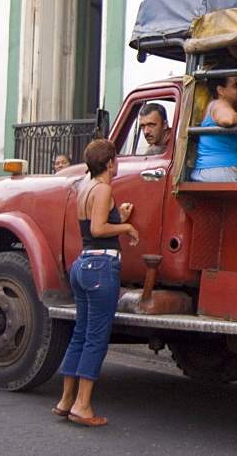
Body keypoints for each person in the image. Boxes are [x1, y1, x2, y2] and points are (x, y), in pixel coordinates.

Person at [53, 139, 139, 427]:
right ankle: (83, 405)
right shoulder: (103, 189)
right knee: (95, 338)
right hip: (101, 267)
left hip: (83, 265)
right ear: (111, 163)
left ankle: (65, 400)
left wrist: (119, 216)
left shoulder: (85, 187)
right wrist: (127, 226)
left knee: (80, 334)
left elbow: (96, 224)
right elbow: (99, 228)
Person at [191, 75, 237, 182]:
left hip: (220, 169)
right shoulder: (220, 104)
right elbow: (229, 119)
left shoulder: (218, 106)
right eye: (235, 85)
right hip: (228, 171)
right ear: (221, 90)